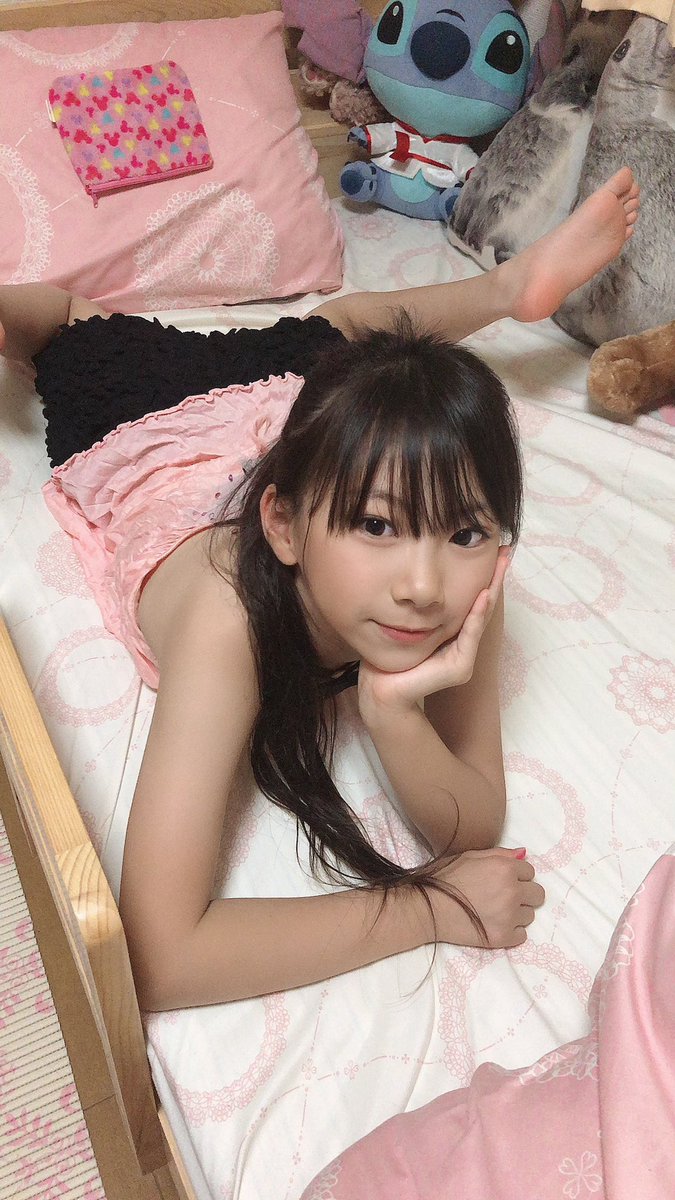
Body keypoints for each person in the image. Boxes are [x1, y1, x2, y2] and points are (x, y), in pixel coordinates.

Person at [0, 168, 639, 1013]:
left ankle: (512, 288)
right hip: (144, 409)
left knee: (335, 330)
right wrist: (428, 907)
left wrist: (394, 712)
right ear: (283, 527)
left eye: (463, 533)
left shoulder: (462, 567)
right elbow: (157, 956)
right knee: (62, 322)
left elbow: (472, 818)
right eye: (377, 526)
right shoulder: (229, 618)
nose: (422, 588)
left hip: (295, 412)